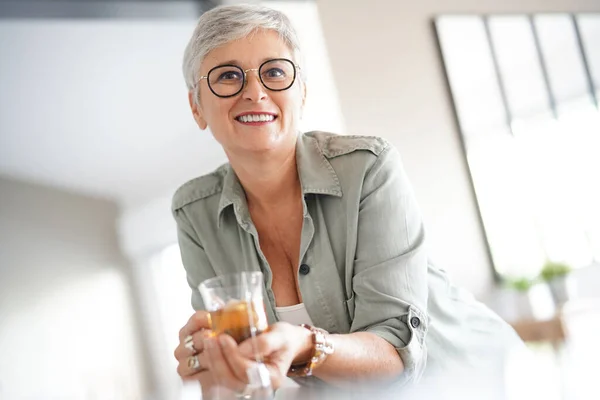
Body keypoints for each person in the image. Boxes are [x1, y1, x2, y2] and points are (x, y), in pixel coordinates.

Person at [171, 4, 523, 398]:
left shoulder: (369, 168)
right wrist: (215, 368)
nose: (254, 92)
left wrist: (305, 347)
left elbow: (394, 357)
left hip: (482, 380)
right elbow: (241, 374)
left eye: (274, 72)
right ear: (196, 107)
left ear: (301, 91)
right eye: (227, 76)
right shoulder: (195, 213)